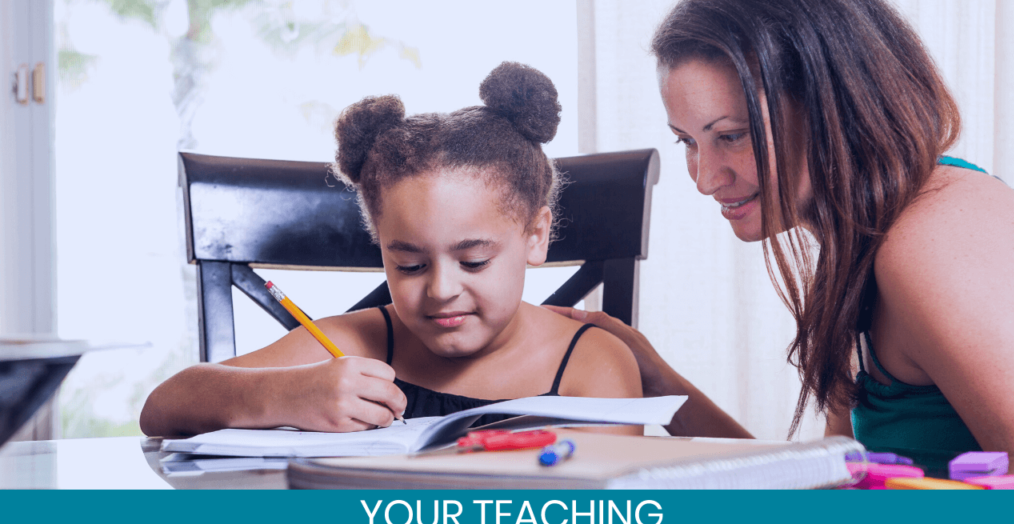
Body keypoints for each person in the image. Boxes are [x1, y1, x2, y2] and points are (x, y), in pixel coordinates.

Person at [548, 0, 1014, 474]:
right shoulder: (857, 252)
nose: (705, 178)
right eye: (688, 142)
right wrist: (659, 382)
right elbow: (829, 485)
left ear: (835, 105)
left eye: (732, 135)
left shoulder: (931, 240)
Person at [140, 62, 641, 438]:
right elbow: (162, 407)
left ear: (535, 235)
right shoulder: (359, 342)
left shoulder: (590, 365)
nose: (441, 289)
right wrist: (282, 393)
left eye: (474, 261)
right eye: (410, 264)